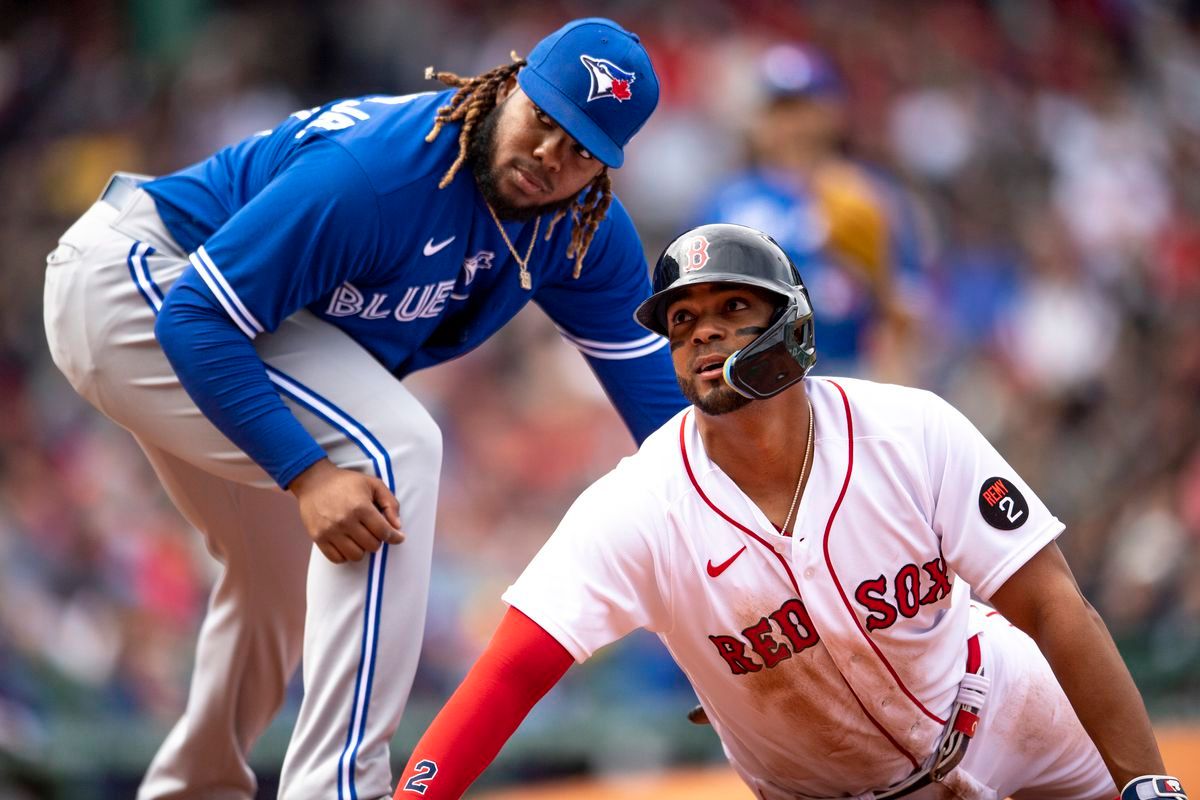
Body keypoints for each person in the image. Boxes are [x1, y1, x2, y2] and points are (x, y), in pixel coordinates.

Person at [42, 17, 685, 800]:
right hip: (136, 280)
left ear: (607, 167)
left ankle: (193, 788)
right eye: (544, 119)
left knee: (273, 578)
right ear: (511, 84)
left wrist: (735, 531)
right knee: (394, 447)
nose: (551, 156)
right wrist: (307, 474)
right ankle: (340, 788)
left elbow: (664, 413)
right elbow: (196, 319)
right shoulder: (376, 175)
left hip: (232, 319)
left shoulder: (577, 232)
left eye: (582, 148)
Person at [393, 224, 1186, 800]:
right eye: (681, 319)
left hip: (1003, 711)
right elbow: (512, 671)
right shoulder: (641, 505)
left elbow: (1052, 605)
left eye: (732, 305)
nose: (702, 328)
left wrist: (1147, 783)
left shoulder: (909, 430)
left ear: (794, 323)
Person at [693, 43, 925, 379]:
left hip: (850, 374)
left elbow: (909, 313)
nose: (792, 124)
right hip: (754, 378)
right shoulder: (725, 204)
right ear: (757, 121)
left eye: (802, 108)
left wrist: (875, 278)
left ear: (832, 112)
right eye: (779, 110)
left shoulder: (872, 194)